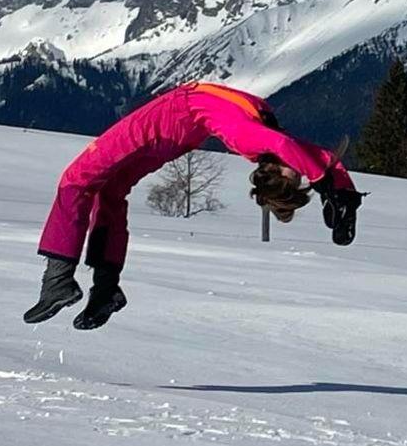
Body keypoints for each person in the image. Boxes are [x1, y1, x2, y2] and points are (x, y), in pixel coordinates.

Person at [26, 81, 362, 329]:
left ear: (276, 169)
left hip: (166, 123)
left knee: (75, 180)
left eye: (294, 174)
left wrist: (320, 181)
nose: (298, 170)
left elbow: (288, 147)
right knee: (110, 191)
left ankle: (58, 281)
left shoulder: (255, 138)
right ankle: (105, 291)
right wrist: (343, 192)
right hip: (176, 129)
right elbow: (315, 154)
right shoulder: (265, 135)